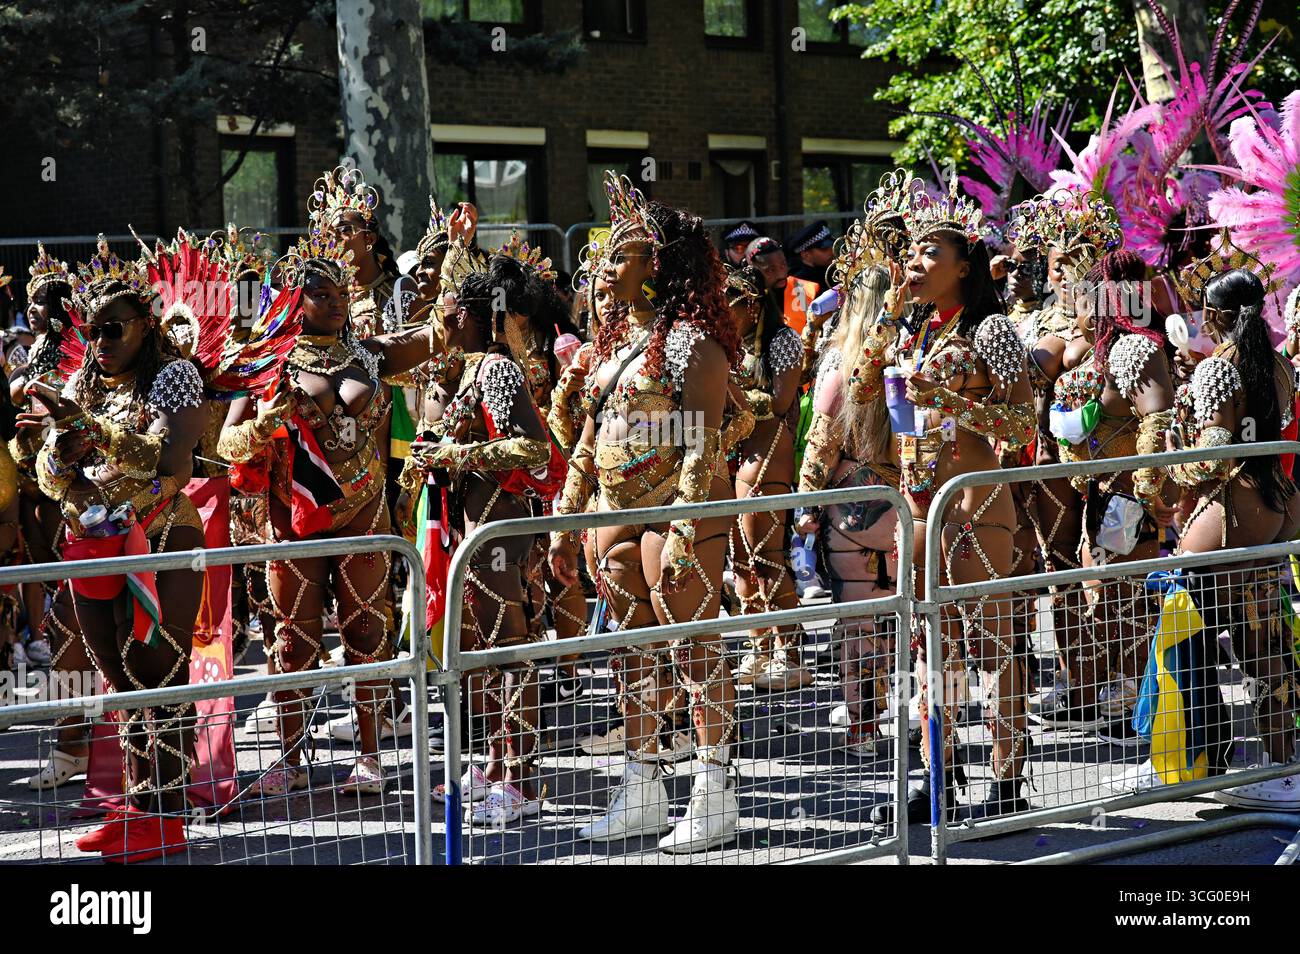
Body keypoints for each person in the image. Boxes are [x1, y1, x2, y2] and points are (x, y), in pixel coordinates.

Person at [549, 173, 753, 852]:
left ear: (658, 264)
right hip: (614, 516)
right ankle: (642, 787)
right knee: (632, 658)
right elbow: (589, 433)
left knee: (694, 652)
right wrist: (566, 514)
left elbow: (699, 438)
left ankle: (714, 791)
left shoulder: (694, 340)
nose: (606, 264)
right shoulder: (609, 344)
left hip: (677, 518)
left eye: (621, 253)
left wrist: (689, 528)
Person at [218, 228, 439, 797]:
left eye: (340, 288)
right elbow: (228, 445)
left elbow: (435, 336)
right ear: (293, 297)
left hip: (365, 515)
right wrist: (270, 417)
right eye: (320, 290)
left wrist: (455, 265)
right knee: (293, 642)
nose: (337, 298)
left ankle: (369, 755)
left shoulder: (366, 353)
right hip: (293, 521)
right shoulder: (268, 361)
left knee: (368, 633)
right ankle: (289, 758)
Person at [848, 178, 1037, 825]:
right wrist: (885, 317)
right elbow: (859, 384)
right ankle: (939, 776)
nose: (917, 263)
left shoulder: (993, 332)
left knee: (994, 648)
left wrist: (947, 402)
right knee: (933, 652)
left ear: (965, 264)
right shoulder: (915, 330)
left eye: (932, 252)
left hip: (977, 509)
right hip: (919, 510)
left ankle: (1009, 779)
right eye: (913, 252)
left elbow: (1022, 429)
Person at [19, 239, 209, 862]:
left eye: (113, 329)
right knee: (117, 681)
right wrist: (58, 454)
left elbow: (172, 463)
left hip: (162, 538)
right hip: (93, 544)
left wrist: (89, 430)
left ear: (146, 327)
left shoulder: (175, 376)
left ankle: (169, 812)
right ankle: (137, 808)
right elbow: (48, 476)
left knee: (158, 670)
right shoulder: (80, 382)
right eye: (92, 329)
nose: (99, 341)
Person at [416, 261, 565, 824]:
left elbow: (530, 447)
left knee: (509, 649)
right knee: (484, 647)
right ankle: (495, 764)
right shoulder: (472, 368)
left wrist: (460, 456)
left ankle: (523, 782)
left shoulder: (498, 370)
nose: (440, 320)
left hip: (501, 526)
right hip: (472, 525)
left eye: (447, 312)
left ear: (469, 318)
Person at [1166, 265, 1300, 808]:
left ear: (1218, 315)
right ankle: (1280, 764)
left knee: (1252, 646)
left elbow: (1213, 453)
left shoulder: (1221, 370)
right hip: (1280, 501)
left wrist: (1172, 465)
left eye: (1205, 309)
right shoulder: (1278, 365)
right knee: (1268, 640)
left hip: (1235, 509)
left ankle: (1272, 769)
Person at [1053, 249, 1178, 745]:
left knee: (1124, 598)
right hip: (1104, 496)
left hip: (1128, 498)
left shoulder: (1134, 350)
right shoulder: (1106, 352)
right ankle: (1126, 706)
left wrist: (1150, 491)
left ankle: (1136, 709)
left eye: (1085, 298)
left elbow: (1158, 418)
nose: (1077, 309)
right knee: (1104, 594)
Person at [796, 221, 901, 756]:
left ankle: (864, 723)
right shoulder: (911, 358)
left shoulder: (844, 362)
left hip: (852, 510)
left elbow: (821, 440)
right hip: (904, 505)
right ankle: (911, 713)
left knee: (856, 622)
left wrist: (805, 507)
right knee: (902, 614)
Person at [726, 263, 808, 691]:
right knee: (740, 557)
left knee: (765, 554)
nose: (723, 312)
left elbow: (779, 403)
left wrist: (730, 389)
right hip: (734, 456)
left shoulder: (783, 342)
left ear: (753, 307)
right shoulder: (727, 345)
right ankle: (759, 648)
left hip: (768, 454)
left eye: (730, 305)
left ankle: (791, 653)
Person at [746, 236, 819, 338]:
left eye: (783, 265)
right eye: (770, 270)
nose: (781, 275)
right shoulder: (747, 301)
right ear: (753, 269)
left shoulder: (805, 290)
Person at [787, 219, 836, 291]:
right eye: (824, 249)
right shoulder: (798, 283)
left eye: (831, 246)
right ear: (806, 255)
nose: (831, 251)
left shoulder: (832, 272)